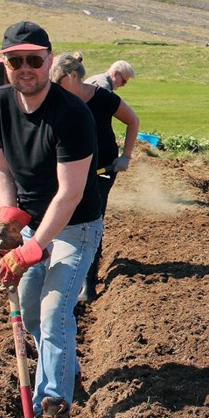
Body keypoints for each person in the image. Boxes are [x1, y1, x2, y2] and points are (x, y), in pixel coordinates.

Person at [0, 21, 104, 418]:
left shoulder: (72, 114)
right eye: (15, 61)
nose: (25, 68)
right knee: (33, 314)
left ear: (49, 61)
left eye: (34, 59)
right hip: (35, 221)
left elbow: (69, 194)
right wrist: (9, 214)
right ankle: (65, 367)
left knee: (55, 312)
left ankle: (52, 408)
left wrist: (32, 247)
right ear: (6, 64)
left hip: (77, 224)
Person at [50, 53, 139, 303]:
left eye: (59, 83)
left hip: (102, 169)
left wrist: (126, 156)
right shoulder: (57, 101)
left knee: (91, 219)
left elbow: (133, 121)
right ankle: (61, 270)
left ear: (74, 77)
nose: (55, 90)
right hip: (69, 168)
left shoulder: (102, 98)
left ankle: (88, 282)